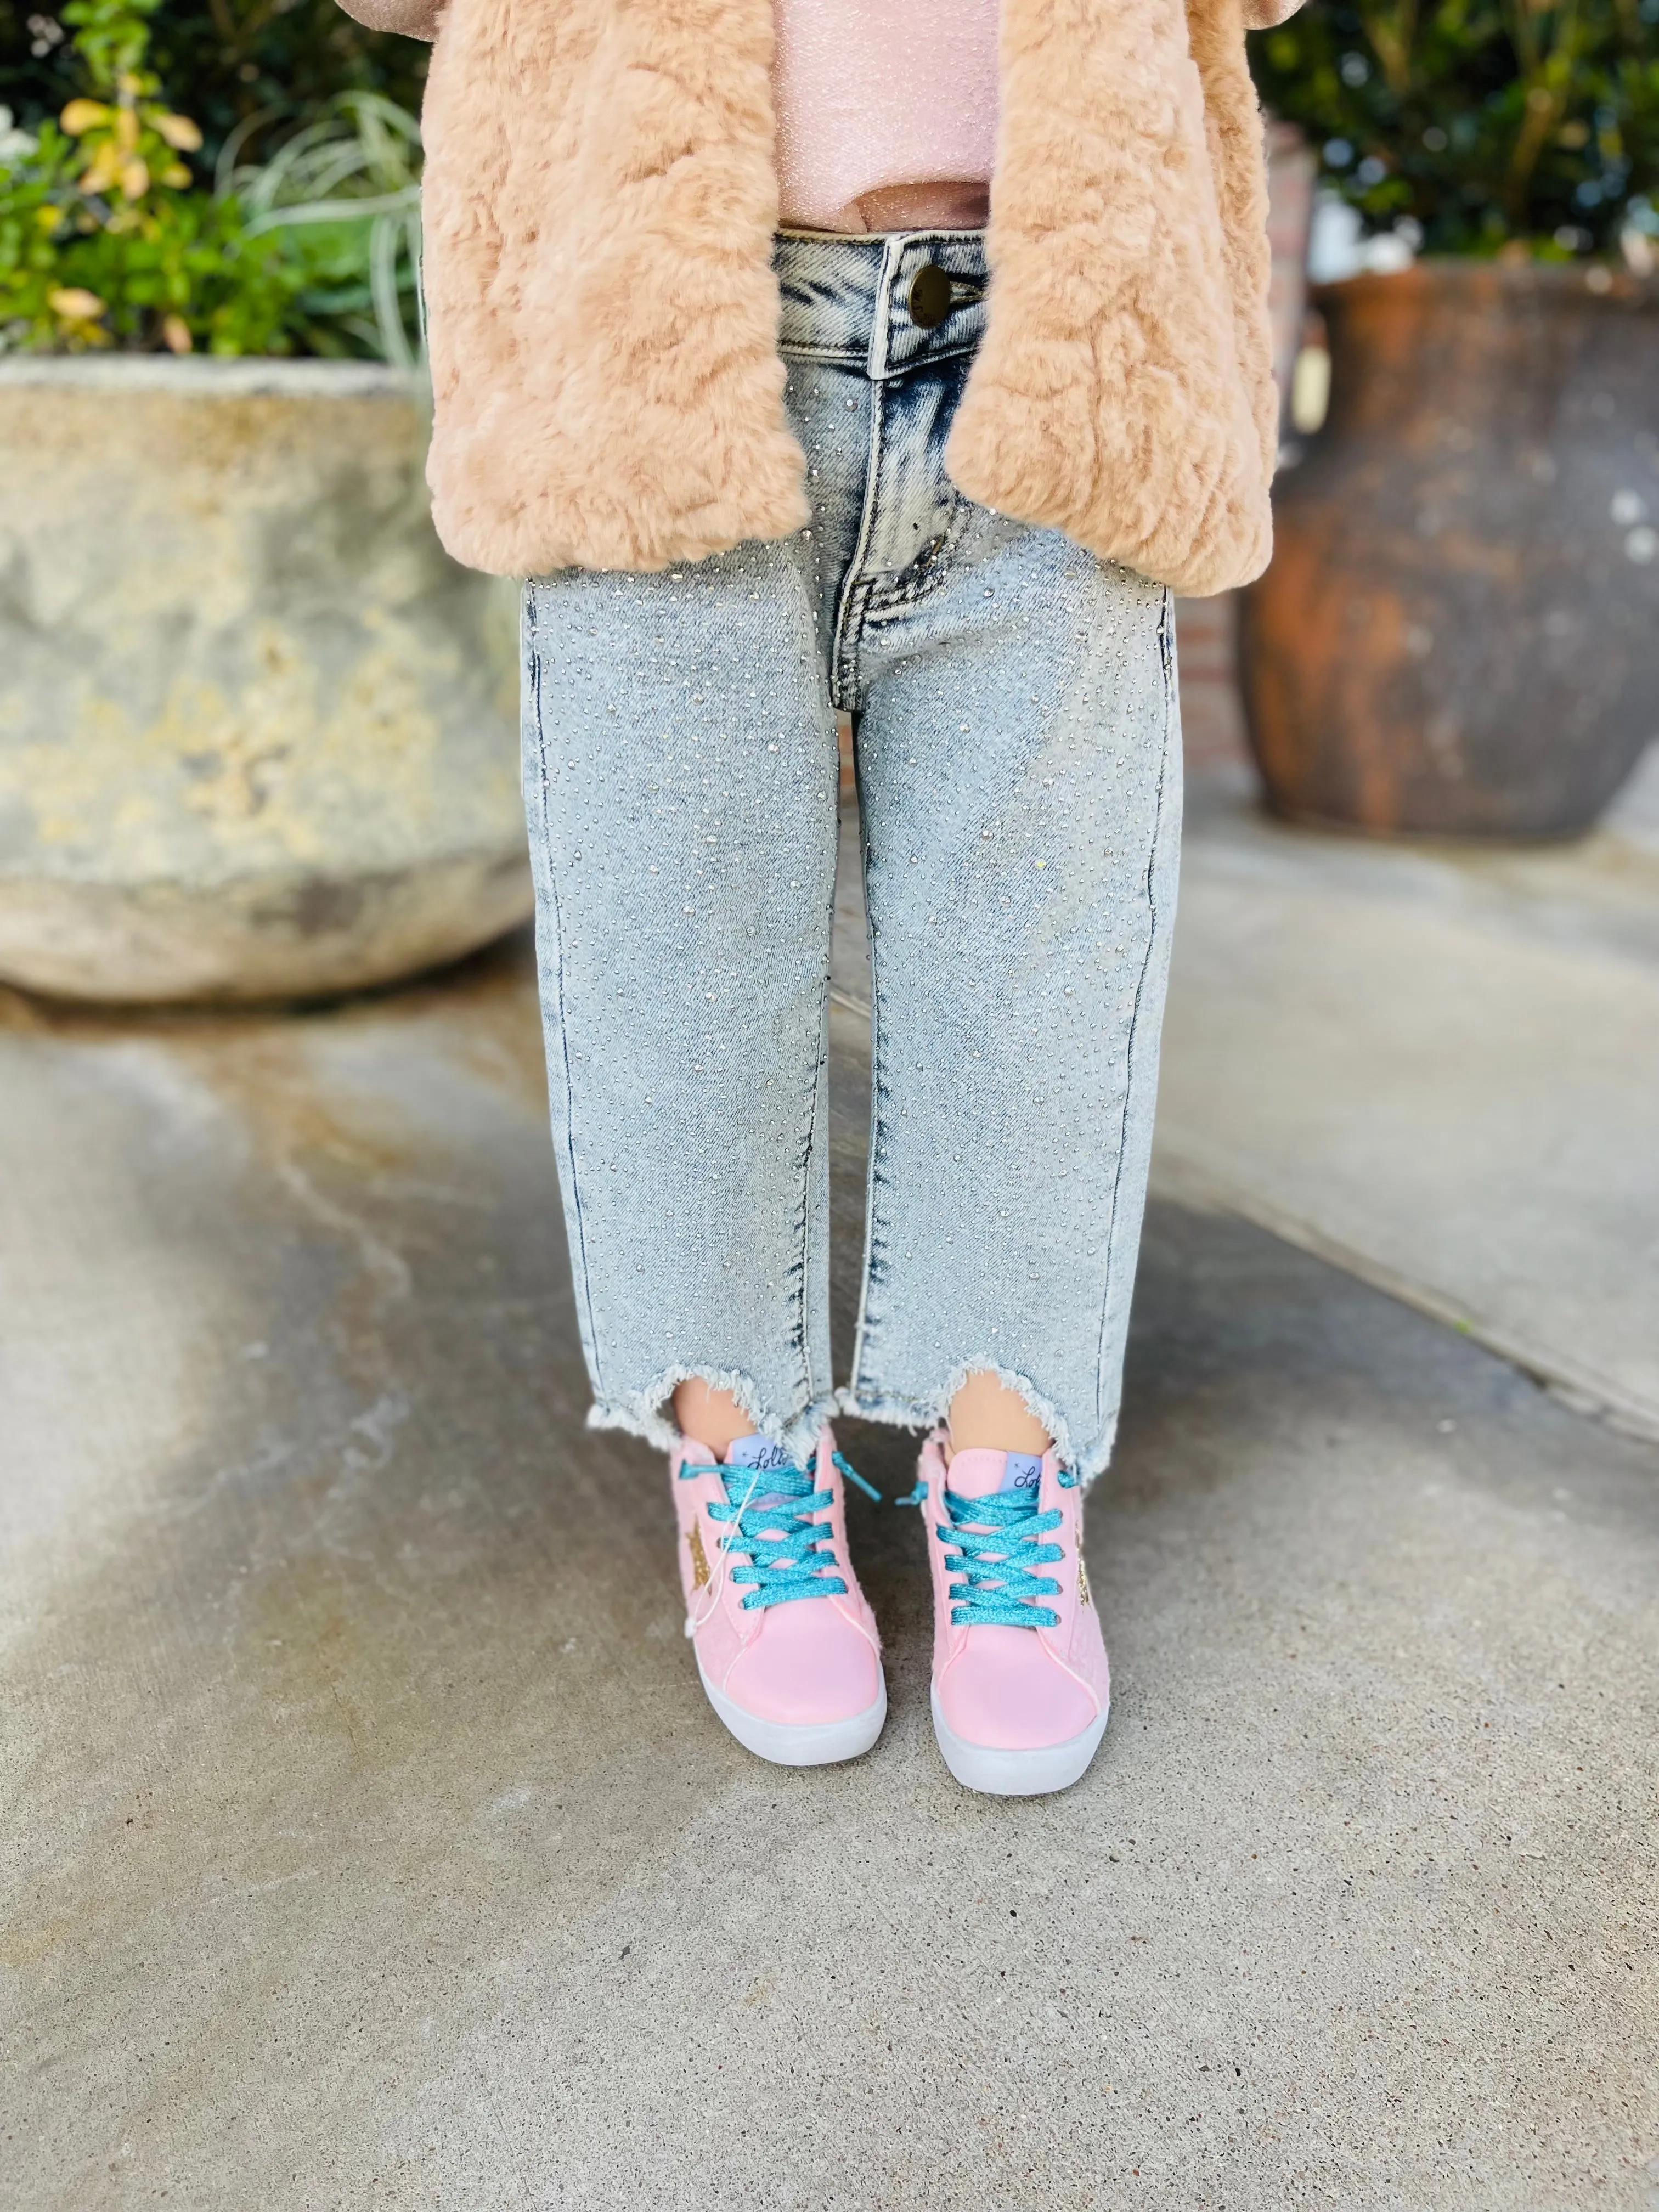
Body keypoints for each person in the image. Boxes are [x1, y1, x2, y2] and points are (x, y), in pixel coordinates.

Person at [335, 0, 1302, 1794]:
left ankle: (1006, 1473)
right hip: (651, 298)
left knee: (1041, 957)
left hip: (1067, 306)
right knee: (675, 962)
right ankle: (740, 1460)